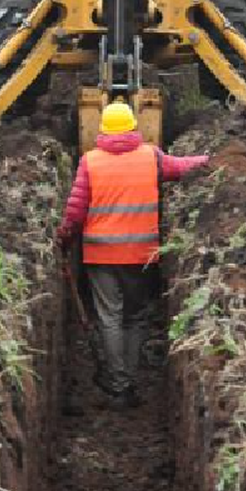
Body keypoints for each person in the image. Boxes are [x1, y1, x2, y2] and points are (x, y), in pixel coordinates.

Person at [54, 101, 210, 407]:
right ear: (133, 128)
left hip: (100, 256)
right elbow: (181, 167)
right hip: (141, 255)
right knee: (135, 317)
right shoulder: (151, 157)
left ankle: (118, 382)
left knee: (109, 317)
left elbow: (75, 211)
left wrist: (64, 238)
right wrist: (209, 159)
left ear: (103, 130)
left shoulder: (90, 161)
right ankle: (129, 377)